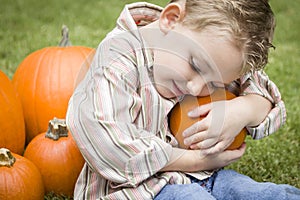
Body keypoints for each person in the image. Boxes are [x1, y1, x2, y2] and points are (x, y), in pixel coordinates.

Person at [66, 0, 300, 199]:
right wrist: (195, 161)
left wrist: (245, 108)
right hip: (134, 191)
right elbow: (108, 141)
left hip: (206, 178)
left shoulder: (213, 50)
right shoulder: (117, 60)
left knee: (261, 193)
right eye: (195, 65)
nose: (196, 87)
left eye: (215, 84)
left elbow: (269, 100)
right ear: (171, 19)